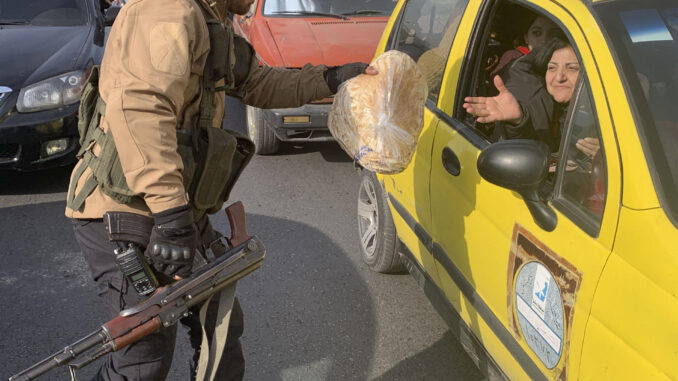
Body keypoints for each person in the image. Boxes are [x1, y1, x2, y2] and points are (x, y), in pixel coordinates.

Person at [65, 0, 376, 380]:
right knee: (144, 350)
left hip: (172, 208)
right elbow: (140, 109)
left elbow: (259, 84)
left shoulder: (212, 18)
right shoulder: (167, 10)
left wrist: (330, 79)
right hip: (126, 207)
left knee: (221, 324)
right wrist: (173, 219)